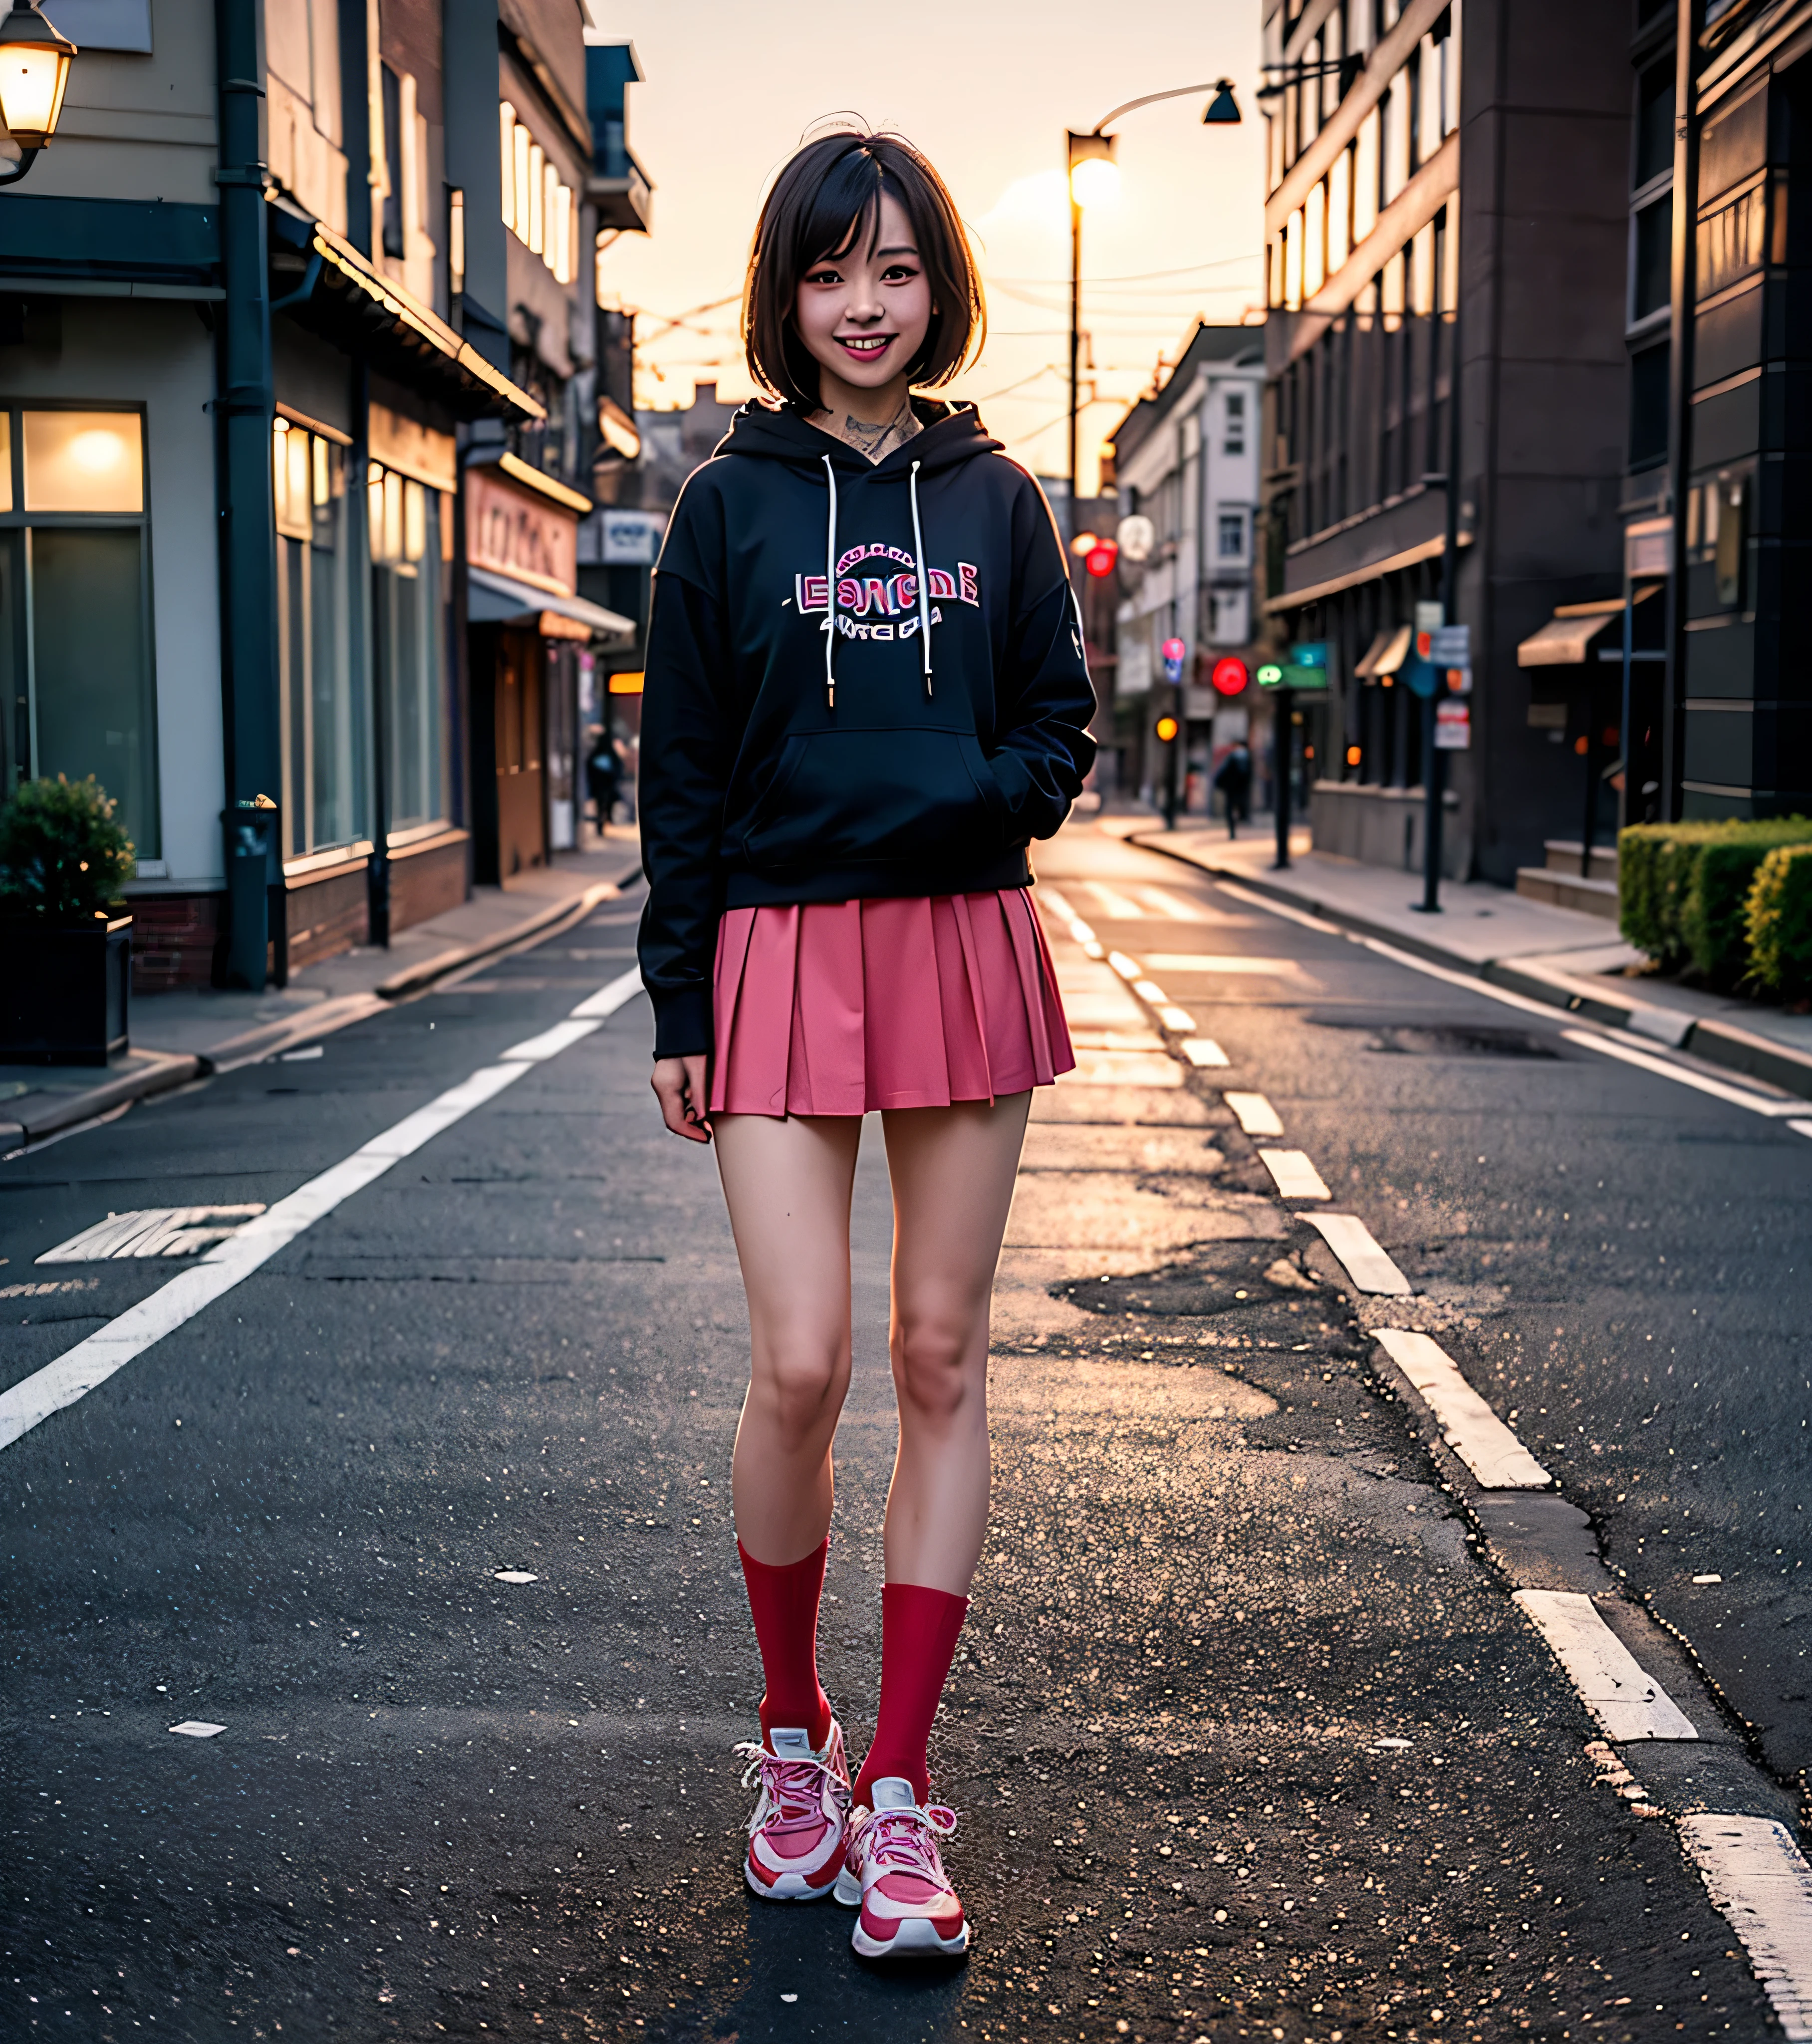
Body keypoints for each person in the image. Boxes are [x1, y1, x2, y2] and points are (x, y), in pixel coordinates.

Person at [636, 127, 1095, 1963]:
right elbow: (677, 772)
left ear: (938, 284)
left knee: (934, 1348)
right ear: (786, 293)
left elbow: (1058, 720)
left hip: (959, 938)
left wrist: (952, 799)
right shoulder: (724, 508)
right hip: (766, 946)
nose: (866, 306)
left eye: (896, 271)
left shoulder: (996, 498)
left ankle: (898, 1787)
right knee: (807, 1359)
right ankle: (791, 1745)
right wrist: (680, 994)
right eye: (832, 274)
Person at [584, 723, 622, 835]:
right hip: (604, 785)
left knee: (601, 806)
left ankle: (603, 822)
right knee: (603, 805)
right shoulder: (607, 753)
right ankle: (602, 823)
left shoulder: (599, 753)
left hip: (602, 785)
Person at [1213, 738, 1253, 839]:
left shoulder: (1232, 757)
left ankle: (1232, 832)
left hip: (1231, 789)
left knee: (1230, 810)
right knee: (1240, 808)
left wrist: (1218, 783)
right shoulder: (1248, 758)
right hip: (1242, 789)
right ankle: (1240, 821)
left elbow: (1222, 772)